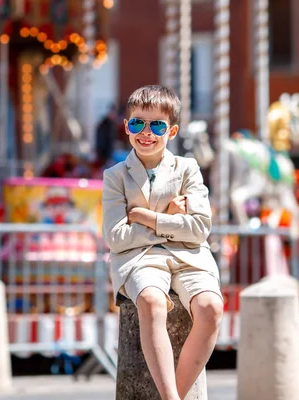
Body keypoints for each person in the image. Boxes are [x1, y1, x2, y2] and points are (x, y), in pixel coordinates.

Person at [101, 85, 223, 400]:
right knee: (152, 301)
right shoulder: (115, 176)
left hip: (190, 256)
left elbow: (199, 229)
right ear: (126, 126)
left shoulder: (187, 168)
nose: (146, 132)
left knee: (211, 308)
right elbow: (116, 238)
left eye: (157, 125)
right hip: (139, 258)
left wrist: (145, 216)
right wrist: (171, 217)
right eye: (137, 123)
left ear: (172, 131)